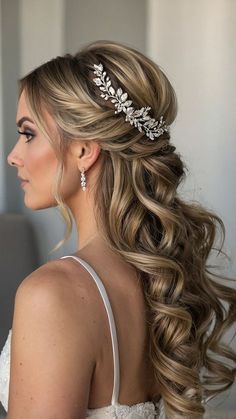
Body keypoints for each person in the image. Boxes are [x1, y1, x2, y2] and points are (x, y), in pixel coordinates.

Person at [0, 39, 235, 419]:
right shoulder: (161, 279)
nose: (13, 155)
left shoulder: (52, 295)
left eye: (28, 133)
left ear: (83, 150)